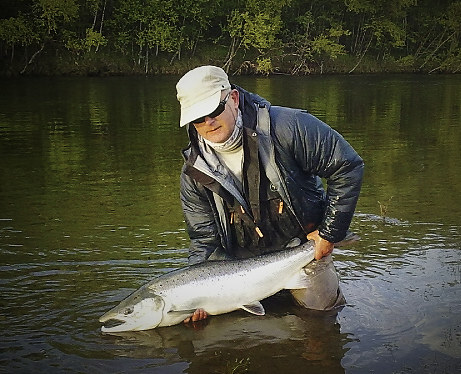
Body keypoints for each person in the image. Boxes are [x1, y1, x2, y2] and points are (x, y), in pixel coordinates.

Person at [176, 65, 364, 323]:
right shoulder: (193, 173)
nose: (208, 122)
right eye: (198, 117)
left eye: (214, 110)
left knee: (320, 324)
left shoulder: (289, 127)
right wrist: (196, 295)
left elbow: (348, 166)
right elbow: (203, 241)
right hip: (241, 272)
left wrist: (329, 234)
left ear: (232, 99)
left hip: (304, 253)